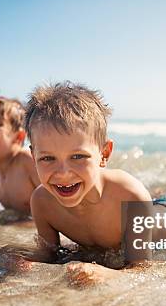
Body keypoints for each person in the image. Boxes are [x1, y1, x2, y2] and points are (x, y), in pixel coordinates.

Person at [25, 81, 154, 285]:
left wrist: (107, 274)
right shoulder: (42, 202)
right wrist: (22, 262)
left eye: (77, 156)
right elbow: (49, 255)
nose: (63, 173)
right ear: (33, 156)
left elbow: (142, 269)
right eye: (48, 158)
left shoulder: (130, 196)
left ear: (104, 153)